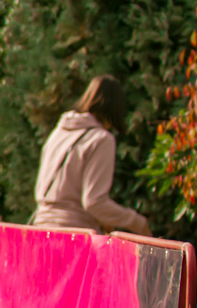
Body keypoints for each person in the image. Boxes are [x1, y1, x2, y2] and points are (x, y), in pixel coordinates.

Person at [31, 75, 150, 235]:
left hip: (39, 231)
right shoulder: (101, 139)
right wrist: (137, 222)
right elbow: (94, 202)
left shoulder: (58, 132)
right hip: (73, 238)